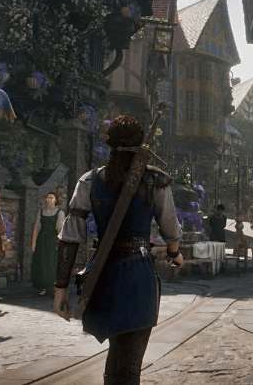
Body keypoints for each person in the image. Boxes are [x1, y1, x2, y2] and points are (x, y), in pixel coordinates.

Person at [52, 115, 183, 385]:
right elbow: (170, 229)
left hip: (104, 274)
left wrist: (60, 289)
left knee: (118, 360)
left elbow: (70, 237)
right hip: (138, 276)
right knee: (128, 365)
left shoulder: (90, 180)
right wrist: (174, 253)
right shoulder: (155, 181)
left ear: (109, 145)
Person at [31, 192, 65, 296]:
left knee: (51, 263)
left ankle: (53, 287)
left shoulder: (59, 212)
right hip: (42, 240)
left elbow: (60, 229)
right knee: (41, 262)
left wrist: (60, 243)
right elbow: (37, 227)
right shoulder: (41, 211)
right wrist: (33, 243)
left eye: (51, 197)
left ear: (55, 200)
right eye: (47, 197)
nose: (48, 199)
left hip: (52, 240)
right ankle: (43, 286)